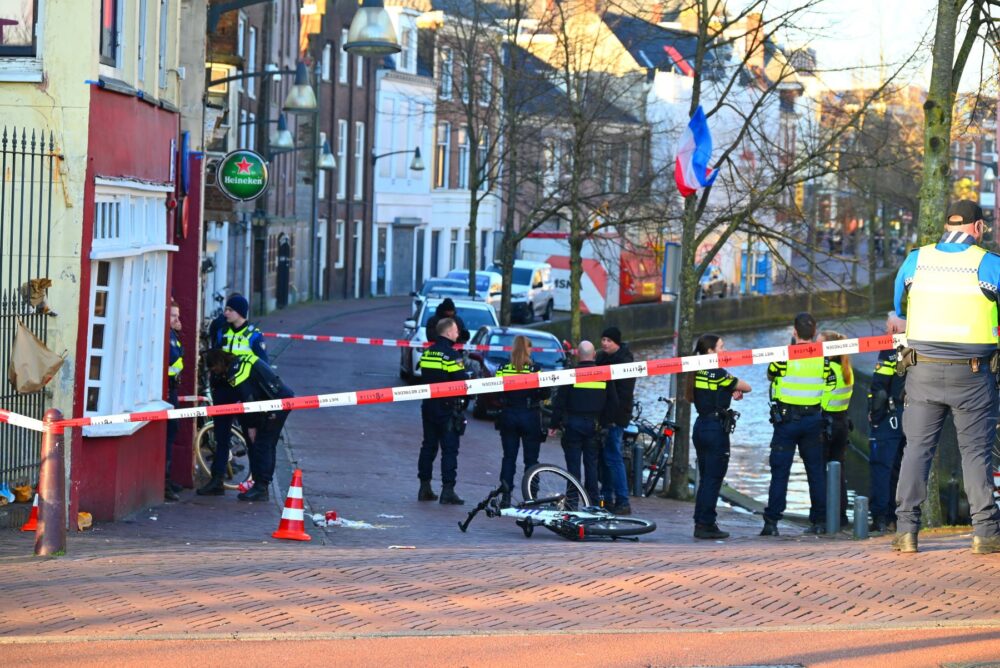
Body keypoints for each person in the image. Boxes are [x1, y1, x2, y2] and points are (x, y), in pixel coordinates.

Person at [886, 199, 1000, 554]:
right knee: (975, 453)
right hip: (973, 374)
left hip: (922, 371)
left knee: (917, 451)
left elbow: (897, 308)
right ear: (977, 228)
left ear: (947, 225)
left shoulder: (916, 260)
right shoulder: (989, 264)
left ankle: (906, 531)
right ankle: (985, 533)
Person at [761, 312, 836, 536]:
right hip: (813, 421)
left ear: (794, 332)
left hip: (786, 421)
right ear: (814, 332)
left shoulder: (784, 356)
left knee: (780, 472)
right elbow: (830, 383)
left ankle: (772, 522)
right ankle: (819, 522)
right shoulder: (823, 359)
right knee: (816, 472)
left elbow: (771, 375)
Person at [197, 293, 268, 496]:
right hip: (223, 389)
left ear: (240, 313)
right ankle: (217, 480)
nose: (226, 313)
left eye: (230, 310)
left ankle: (258, 484)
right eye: (226, 309)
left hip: (245, 392)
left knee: (251, 436)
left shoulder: (254, 336)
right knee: (221, 436)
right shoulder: (222, 331)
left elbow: (263, 366)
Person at [203, 350, 293, 502]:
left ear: (219, 363)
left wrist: (251, 426)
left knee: (263, 444)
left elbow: (249, 399)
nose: (214, 372)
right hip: (268, 402)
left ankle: (261, 487)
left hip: (277, 403)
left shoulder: (238, 372)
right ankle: (256, 484)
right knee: (258, 445)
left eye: (213, 369)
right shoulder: (234, 365)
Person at [687, 334, 751, 539]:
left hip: (701, 427)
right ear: (710, 351)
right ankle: (706, 524)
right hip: (715, 430)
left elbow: (713, 392)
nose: (725, 350)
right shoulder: (718, 372)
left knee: (706, 478)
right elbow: (747, 386)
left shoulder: (697, 371)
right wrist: (733, 388)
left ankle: (700, 521)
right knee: (713, 479)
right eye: (721, 347)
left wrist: (729, 391)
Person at [548, 341, 618, 503]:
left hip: (573, 425)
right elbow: (613, 403)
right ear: (594, 355)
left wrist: (553, 424)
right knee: (591, 465)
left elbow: (560, 402)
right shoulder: (603, 375)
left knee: (573, 467)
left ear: (578, 355)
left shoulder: (570, 374)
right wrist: (604, 422)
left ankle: (572, 502)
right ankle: (592, 503)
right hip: (594, 425)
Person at [417, 317, 469, 505]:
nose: (458, 333)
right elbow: (461, 381)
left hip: (429, 406)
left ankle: (424, 487)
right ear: (448, 332)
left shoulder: (427, 353)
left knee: (428, 446)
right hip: (448, 409)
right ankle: (448, 490)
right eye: (455, 330)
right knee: (449, 450)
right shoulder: (452, 355)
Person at [495, 335, 550, 507]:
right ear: (528, 349)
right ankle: (531, 497)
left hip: (509, 414)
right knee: (531, 460)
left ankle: (505, 497)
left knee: (508, 458)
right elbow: (545, 393)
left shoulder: (503, 368)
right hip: (530, 415)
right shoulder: (535, 370)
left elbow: (496, 391)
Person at [867, 322, 907, 533]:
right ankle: (898, 517)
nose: (884, 331)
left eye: (886, 327)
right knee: (902, 468)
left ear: (893, 329)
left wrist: (874, 416)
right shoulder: (920, 346)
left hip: (890, 417)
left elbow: (879, 387)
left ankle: (881, 519)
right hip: (915, 416)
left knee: (882, 467)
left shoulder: (890, 349)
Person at [595, 326, 635, 515]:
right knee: (606, 459)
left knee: (613, 458)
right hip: (604, 417)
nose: (604, 343)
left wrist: (612, 418)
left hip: (615, 418)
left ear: (616, 343)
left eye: (609, 340)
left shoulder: (624, 362)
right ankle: (606, 499)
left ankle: (622, 500)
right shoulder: (602, 358)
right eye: (603, 339)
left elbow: (623, 396)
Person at [818, 330, 854, 530]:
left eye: (819, 345)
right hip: (841, 424)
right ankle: (841, 516)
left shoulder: (827, 369)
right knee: (839, 472)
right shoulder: (847, 369)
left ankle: (826, 518)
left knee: (821, 472)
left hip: (826, 424)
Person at [164, 300, 184, 502]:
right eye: (173, 316)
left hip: (172, 390)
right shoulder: (168, 336)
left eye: (178, 316)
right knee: (169, 435)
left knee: (173, 432)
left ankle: (168, 480)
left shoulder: (173, 335)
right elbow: (174, 359)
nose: (178, 320)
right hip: (168, 391)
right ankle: (165, 482)